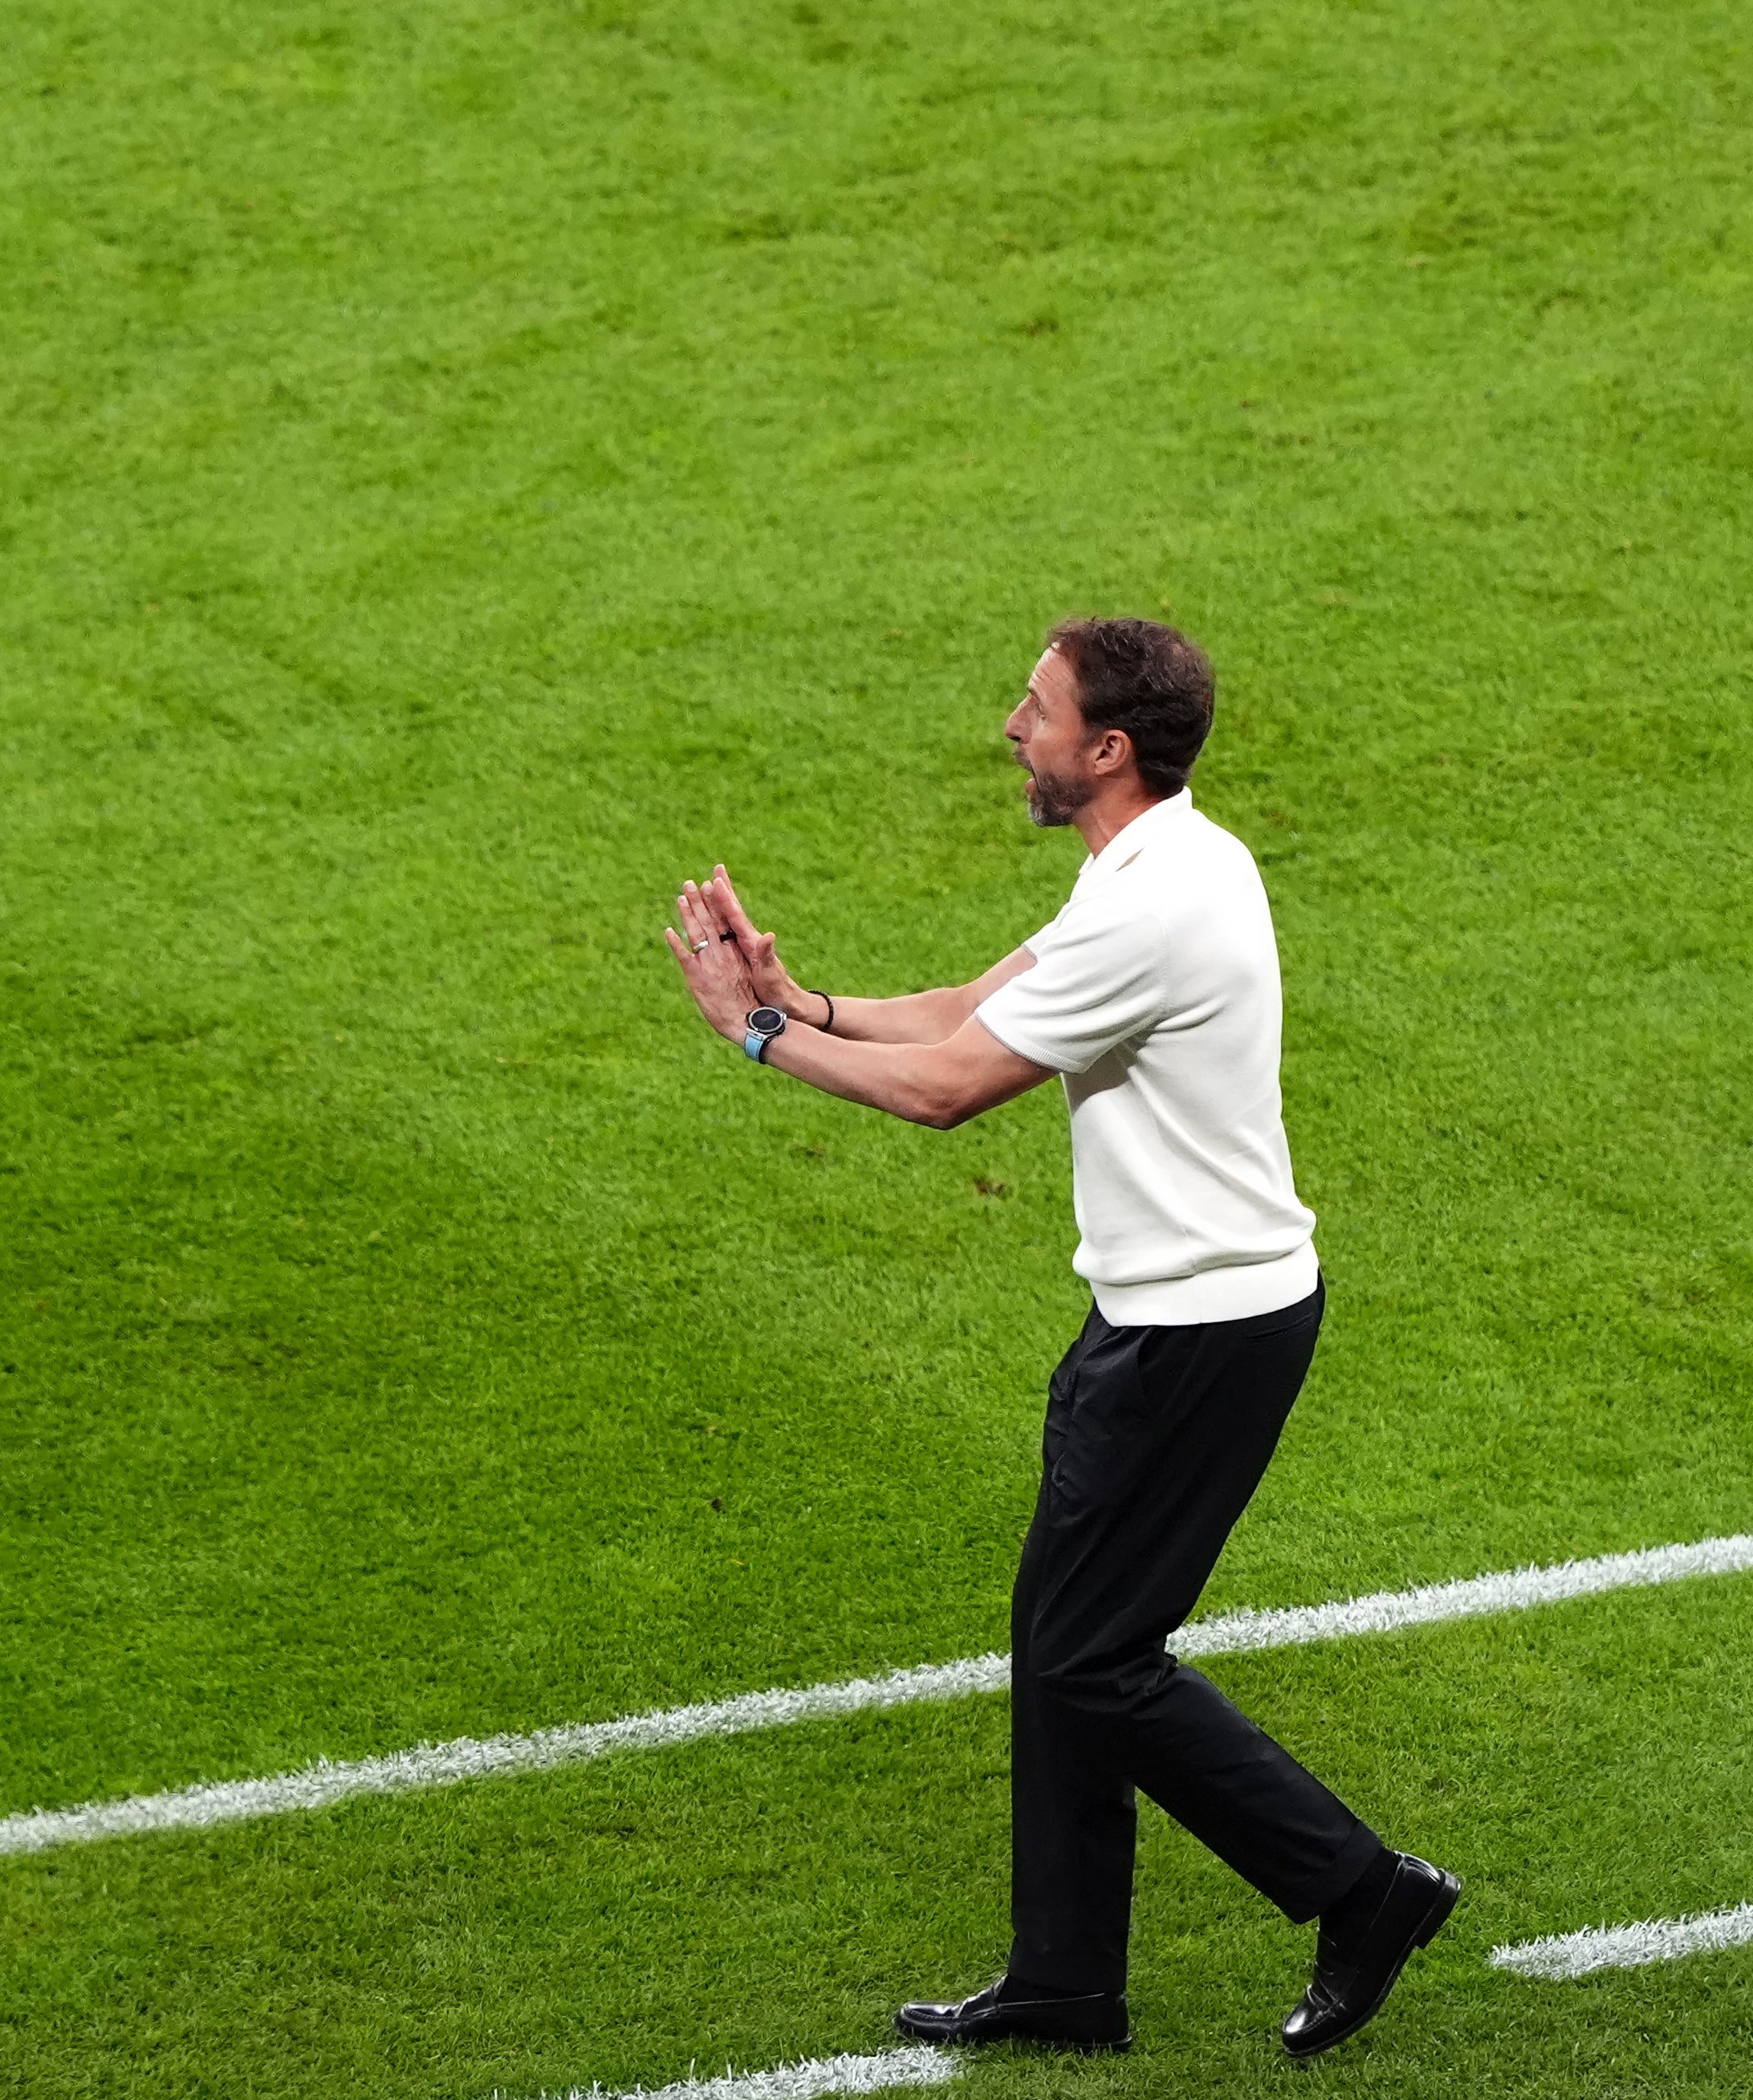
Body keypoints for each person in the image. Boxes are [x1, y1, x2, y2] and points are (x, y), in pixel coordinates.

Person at [661, 619, 1456, 2058]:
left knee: (1093, 1659)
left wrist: (751, 1039)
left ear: (1107, 751)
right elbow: (975, 1006)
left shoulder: (1152, 904)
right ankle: (1065, 1978)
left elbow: (950, 1087)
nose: (1009, 730)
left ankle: (1361, 1885)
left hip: (1192, 1337)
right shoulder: (1161, 860)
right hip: (1176, 1318)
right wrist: (802, 998)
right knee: (1064, 1647)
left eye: (1035, 712)